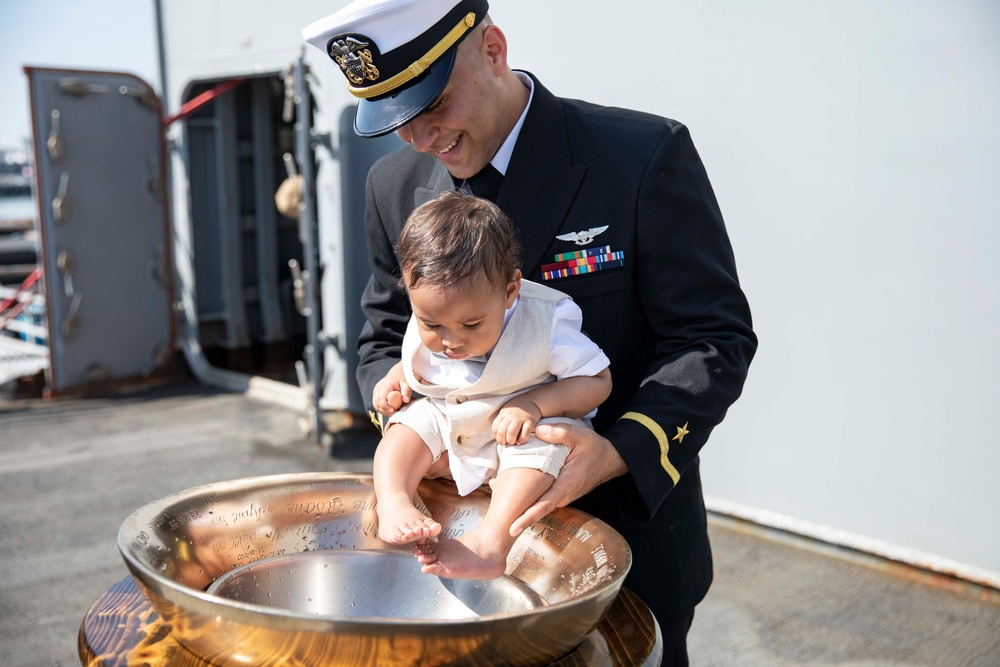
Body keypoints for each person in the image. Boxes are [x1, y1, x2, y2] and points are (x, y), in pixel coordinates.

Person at [304, 0, 757, 662]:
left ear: (492, 49)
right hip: (448, 548)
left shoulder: (639, 157)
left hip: (622, 540)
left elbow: (712, 340)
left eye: (432, 106)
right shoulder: (392, 185)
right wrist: (418, 427)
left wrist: (615, 451)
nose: (420, 138)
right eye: (396, 120)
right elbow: (382, 337)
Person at [371, 190, 612, 579]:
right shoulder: (432, 315)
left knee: (543, 445)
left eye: (470, 325)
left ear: (510, 290)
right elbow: (421, 364)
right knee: (405, 428)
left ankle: (493, 541)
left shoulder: (547, 322)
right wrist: (397, 378)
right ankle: (394, 500)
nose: (451, 341)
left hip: (517, 429)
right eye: (431, 325)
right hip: (451, 418)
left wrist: (536, 404)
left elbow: (598, 380)